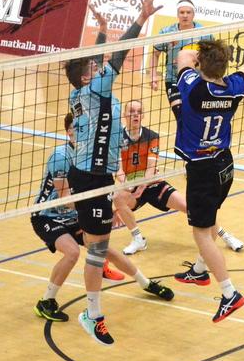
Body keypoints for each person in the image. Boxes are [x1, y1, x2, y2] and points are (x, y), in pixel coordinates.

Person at [63, 0, 171, 346]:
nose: (100, 66)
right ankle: (92, 315)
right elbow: (120, 54)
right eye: (94, 68)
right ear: (87, 78)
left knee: (98, 247)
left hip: (95, 175)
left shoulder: (82, 93)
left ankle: (96, 310)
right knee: (97, 250)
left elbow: (96, 59)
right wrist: (140, 19)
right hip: (90, 178)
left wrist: (101, 30)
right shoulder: (94, 90)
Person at [32, 113, 174, 324]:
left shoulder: (89, 157)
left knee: (104, 249)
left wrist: (107, 207)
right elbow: (65, 198)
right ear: (69, 132)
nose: (84, 133)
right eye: (79, 129)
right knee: (72, 252)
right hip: (48, 215)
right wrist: (96, 210)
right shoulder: (61, 156)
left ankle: (146, 283)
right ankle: (46, 302)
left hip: (76, 214)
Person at [173, 34, 244, 323]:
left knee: (201, 233)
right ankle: (199, 271)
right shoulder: (234, 87)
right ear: (226, 65)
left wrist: (199, 50)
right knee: (210, 217)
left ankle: (229, 293)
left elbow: (182, 57)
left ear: (201, 63)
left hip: (202, 169)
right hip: (224, 164)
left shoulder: (193, 87)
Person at [112, 99, 244, 259]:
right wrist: (127, 185)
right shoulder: (117, 138)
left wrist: (141, 185)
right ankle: (138, 239)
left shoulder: (152, 136)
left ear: (143, 115)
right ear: (124, 114)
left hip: (153, 185)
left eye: (139, 112)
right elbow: (118, 169)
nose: (135, 115)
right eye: (132, 111)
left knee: (192, 208)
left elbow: (150, 169)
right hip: (132, 188)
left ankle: (225, 236)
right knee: (117, 196)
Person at [150, 0, 215, 122]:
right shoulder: (167, 32)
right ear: (177, 14)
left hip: (197, 80)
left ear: (193, 14)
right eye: (182, 12)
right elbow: (155, 54)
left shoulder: (204, 34)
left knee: (196, 116)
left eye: (188, 12)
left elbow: (212, 57)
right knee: (179, 114)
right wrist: (153, 76)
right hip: (173, 79)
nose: (185, 15)